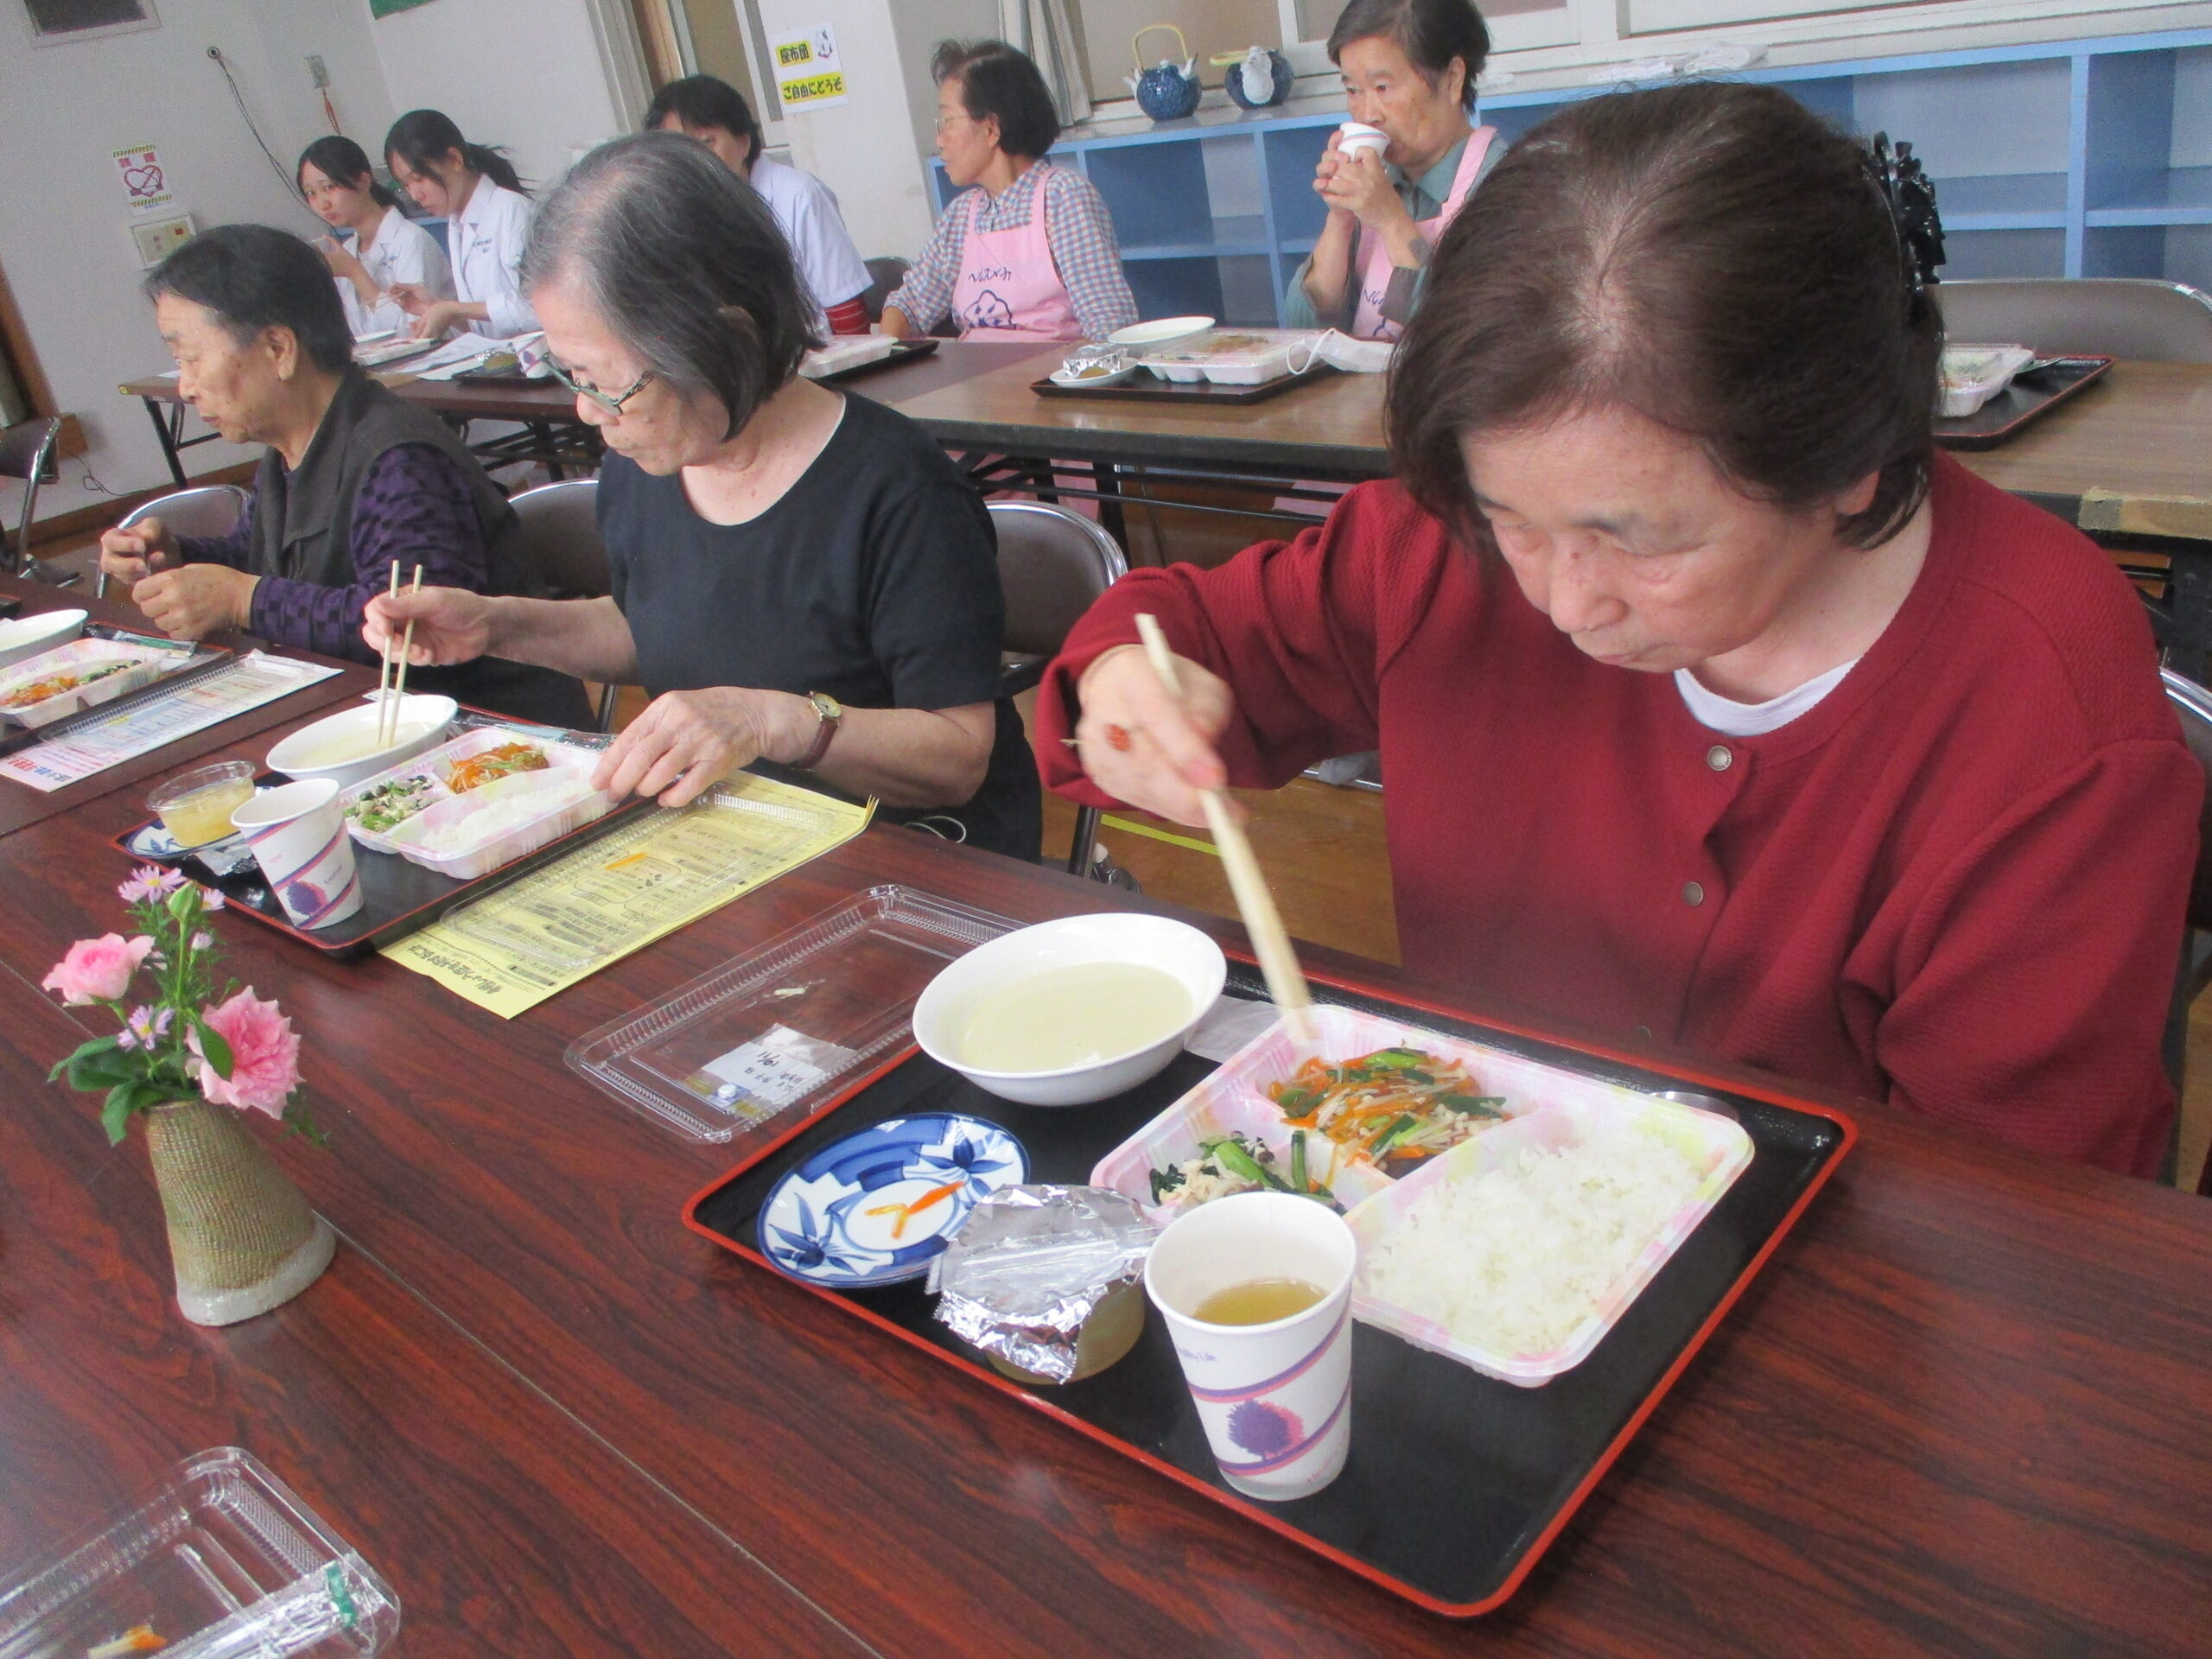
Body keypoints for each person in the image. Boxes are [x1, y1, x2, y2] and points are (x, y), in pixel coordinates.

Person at [1037, 82, 2199, 1179]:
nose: (1563, 602)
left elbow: (2007, 1219)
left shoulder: (2041, 710)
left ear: (1850, 460)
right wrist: (1130, 688)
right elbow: (1183, 635)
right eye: (1511, 520)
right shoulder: (1443, 544)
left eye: (1639, 543)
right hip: (1461, 1196)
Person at [364, 134, 1041, 860]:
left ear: (728, 337)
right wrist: (496, 625)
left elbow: (958, 756)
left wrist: (773, 723)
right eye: (571, 375)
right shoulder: (647, 462)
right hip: (739, 844)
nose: (588, 410)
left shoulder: (898, 488)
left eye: (605, 381)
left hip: (905, 854)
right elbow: (654, 625)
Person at [99, 226, 592, 728]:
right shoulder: (293, 448)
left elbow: (413, 622)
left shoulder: (399, 457)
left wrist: (241, 599)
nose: (185, 387)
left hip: (486, 734)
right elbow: (262, 559)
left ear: (278, 348)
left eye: (190, 358)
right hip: (369, 719)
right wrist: (179, 559)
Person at [882, 40, 1135, 343]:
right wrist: (887, 351)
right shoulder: (961, 216)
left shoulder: (1062, 196)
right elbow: (908, 306)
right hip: (977, 373)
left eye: (947, 121)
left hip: (1053, 371)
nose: (939, 140)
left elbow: (1109, 324)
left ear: (991, 128)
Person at [1286, 0, 1497, 339]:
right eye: (1353, 91)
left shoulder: (1505, 182)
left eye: (1382, 87)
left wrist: (1390, 221)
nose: (1368, 114)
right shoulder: (1376, 180)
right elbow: (1302, 325)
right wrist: (1340, 218)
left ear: (1452, 79)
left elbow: (1460, 334)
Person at [645, 74, 873, 338]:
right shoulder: (673, 213)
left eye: (707, 142)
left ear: (744, 142)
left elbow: (845, 308)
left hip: (814, 355)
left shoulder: (799, 195)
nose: (695, 159)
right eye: (682, 148)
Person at [381, 109, 537, 340]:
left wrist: (456, 309)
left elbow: (538, 308)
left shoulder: (511, 210)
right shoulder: (456, 224)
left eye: (418, 179)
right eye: (406, 186)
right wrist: (436, 309)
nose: (414, 195)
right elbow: (486, 326)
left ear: (455, 160)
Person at [297, 135, 454, 340]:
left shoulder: (409, 239)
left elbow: (416, 329)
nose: (322, 203)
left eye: (329, 187)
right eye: (311, 193)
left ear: (364, 181)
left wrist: (355, 272)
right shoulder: (348, 250)